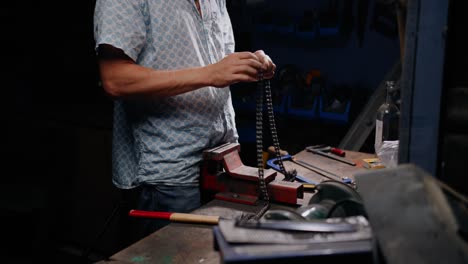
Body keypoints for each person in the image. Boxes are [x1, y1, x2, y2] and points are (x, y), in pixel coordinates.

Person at [93, 0, 276, 240]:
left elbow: (211, 63)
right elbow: (116, 79)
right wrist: (210, 74)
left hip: (221, 163)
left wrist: (248, 64)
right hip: (169, 174)